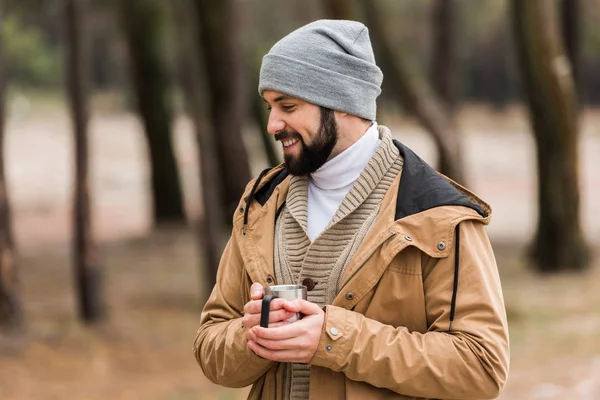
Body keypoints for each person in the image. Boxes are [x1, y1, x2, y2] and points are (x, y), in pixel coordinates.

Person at [194, 19, 509, 400]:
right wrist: (252, 335)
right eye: (269, 106)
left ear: (342, 103)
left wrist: (333, 338)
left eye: (287, 106)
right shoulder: (260, 203)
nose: (272, 124)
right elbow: (210, 345)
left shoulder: (438, 216)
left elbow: (481, 365)